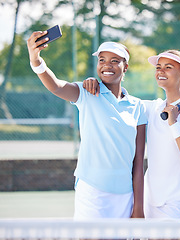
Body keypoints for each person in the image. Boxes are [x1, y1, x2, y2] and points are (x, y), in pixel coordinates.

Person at [27, 31, 147, 219]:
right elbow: (56, 86)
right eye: (102, 60)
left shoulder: (138, 106)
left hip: (125, 195)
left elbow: (138, 161)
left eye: (115, 60)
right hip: (92, 191)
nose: (107, 65)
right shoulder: (87, 92)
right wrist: (36, 60)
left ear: (126, 67)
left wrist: (138, 207)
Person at [83, 49, 180, 221]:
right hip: (150, 199)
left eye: (168, 67)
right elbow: (119, 99)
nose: (161, 71)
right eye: (158, 67)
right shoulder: (149, 108)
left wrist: (174, 124)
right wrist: (96, 83)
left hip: (178, 202)